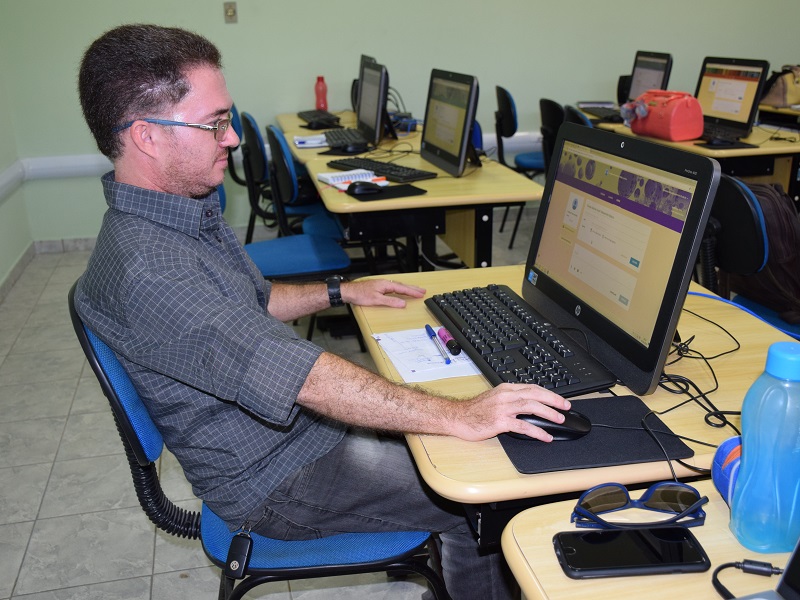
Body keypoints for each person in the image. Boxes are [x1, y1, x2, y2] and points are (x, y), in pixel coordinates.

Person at [75, 24, 571, 600]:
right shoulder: (152, 270)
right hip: (275, 479)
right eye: (214, 123)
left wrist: (341, 292)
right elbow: (303, 379)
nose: (231, 138)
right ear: (147, 137)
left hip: (291, 432)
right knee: (482, 494)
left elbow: (255, 299)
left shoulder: (176, 211)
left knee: (439, 412)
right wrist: (463, 416)